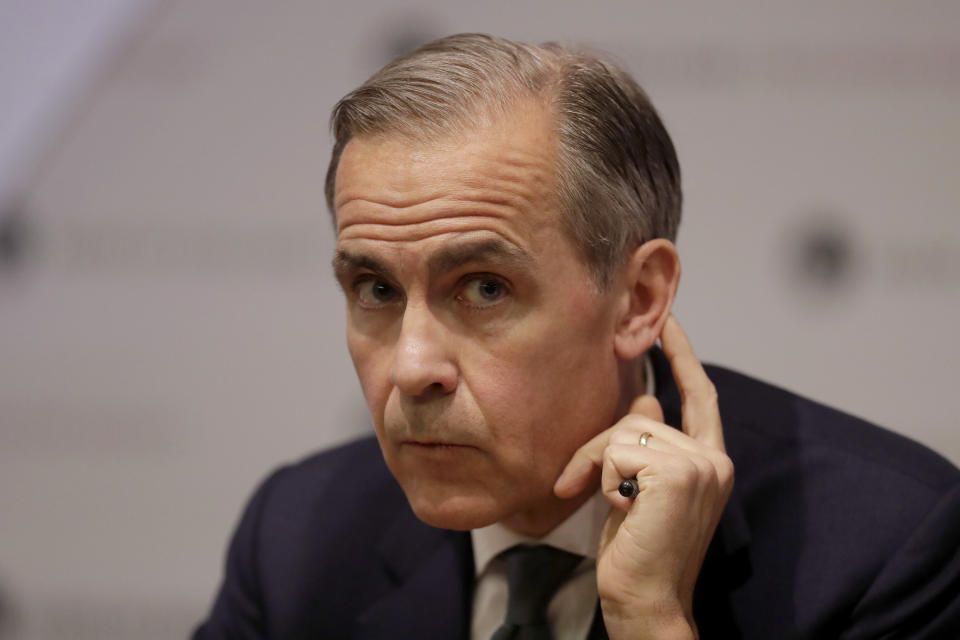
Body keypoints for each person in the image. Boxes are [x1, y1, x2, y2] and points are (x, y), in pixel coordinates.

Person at [193, 33, 960, 639]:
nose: (412, 366)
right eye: (376, 290)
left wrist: (653, 623)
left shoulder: (886, 549)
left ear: (637, 299)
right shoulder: (297, 537)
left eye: (485, 288)